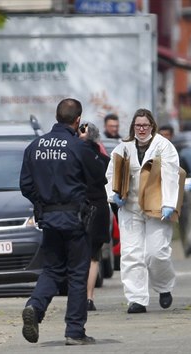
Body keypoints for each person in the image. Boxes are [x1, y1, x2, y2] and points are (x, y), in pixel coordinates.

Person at [20, 98, 105, 346]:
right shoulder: (79, 147)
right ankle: (74, 331)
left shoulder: (35, 146)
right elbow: (99, 177)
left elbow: (25, 185)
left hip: (49, 219)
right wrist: (90, 144)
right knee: (78, 275)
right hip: (76, 220)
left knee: (52, 270)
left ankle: (35, 307)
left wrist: (43, 203)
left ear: (57, 117)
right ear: (78, 120)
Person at [106, 108, 180, 314]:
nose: (141, 129)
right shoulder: (123, 148)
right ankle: (136, 299)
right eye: (138, 125)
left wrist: (169, 203)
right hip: (130, 207)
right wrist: (114, 195)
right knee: (131, 254)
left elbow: (171, 174)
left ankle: (164, 287)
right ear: (133, 126)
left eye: (145, 126)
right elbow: (111, 173)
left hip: (156, 207)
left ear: (152, 126)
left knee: (157, 253)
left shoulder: (163, 146)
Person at [78, 122, 110, 312]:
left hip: (82, 208)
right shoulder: (102, 157)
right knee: (94, 257)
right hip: (100, 207)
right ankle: (89, 298)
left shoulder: (76, 153)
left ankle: (79, 296)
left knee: (79, 254)